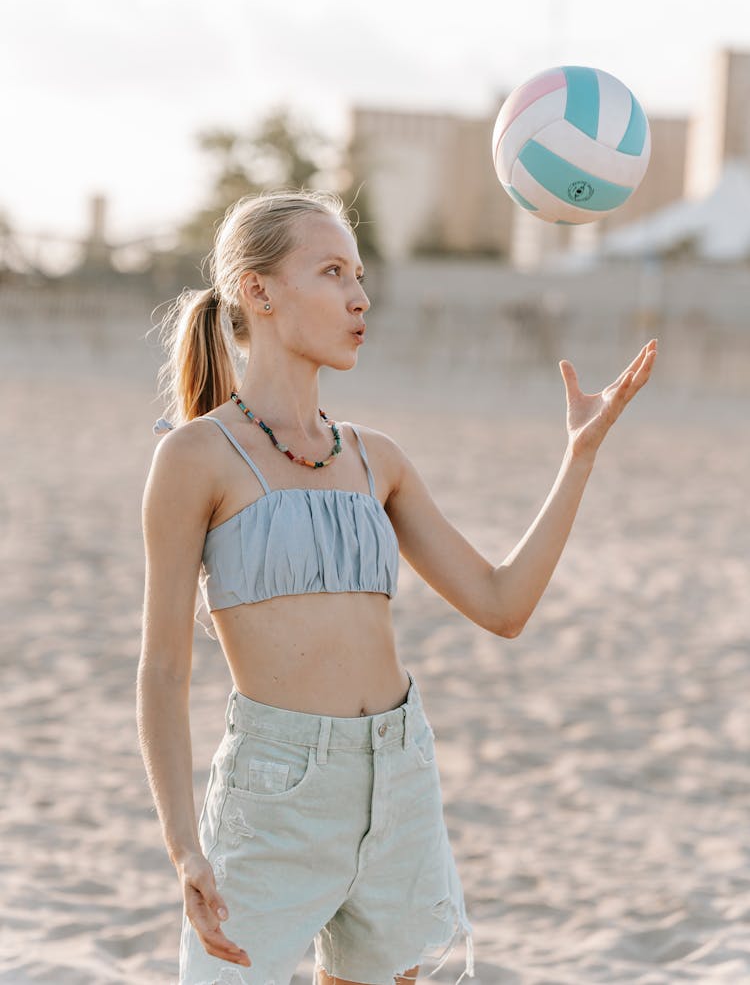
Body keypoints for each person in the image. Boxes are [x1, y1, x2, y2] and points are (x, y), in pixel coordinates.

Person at [137, 189, 657, 985]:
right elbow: (164, 670)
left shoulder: (378, 457)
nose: (359, 297)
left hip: (399, 771)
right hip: (277, 794)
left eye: (361, 274)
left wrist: (578, 455)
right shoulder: (195, 458)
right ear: (260, 290)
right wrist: (183, 845)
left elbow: (501, 603)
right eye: (333, 271)